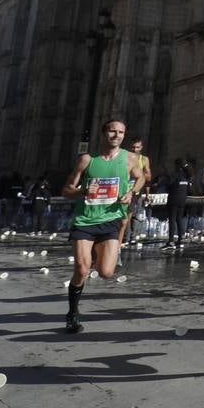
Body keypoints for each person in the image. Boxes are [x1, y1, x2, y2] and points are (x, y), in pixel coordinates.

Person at [60, 119, 145, 333]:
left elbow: (141, 177)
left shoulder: (130, 158)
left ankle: (98, 255)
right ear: (103, 133)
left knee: (106, 272)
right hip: (85, 220)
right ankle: (72, 314)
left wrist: (131, 192)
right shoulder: (87, 160)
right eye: (112, 131)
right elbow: (66, 190)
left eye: (121, 132)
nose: (117, 135)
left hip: (110, 220)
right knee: (81, 269)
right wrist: (82, 192)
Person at [117, 137, 150, 257]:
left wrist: (146, 193)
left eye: (137, 147)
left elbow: (147, 177)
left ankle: (123, 242)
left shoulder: (144, 159)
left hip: (134, 192)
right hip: (119, 190)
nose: (134, 149)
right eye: (133, 147)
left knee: (126, 219)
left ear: (141, 148)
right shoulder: (124, 157)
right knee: (118, 218)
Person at [162, 158, 194, 252]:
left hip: (173, 200)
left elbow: (168, 184)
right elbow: (190, 190)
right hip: (182, 200)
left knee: (172, 219)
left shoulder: (175, 175)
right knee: (179, 219)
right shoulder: (187, 177)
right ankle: (180, 239)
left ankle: (171, 241)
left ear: (177, 166)